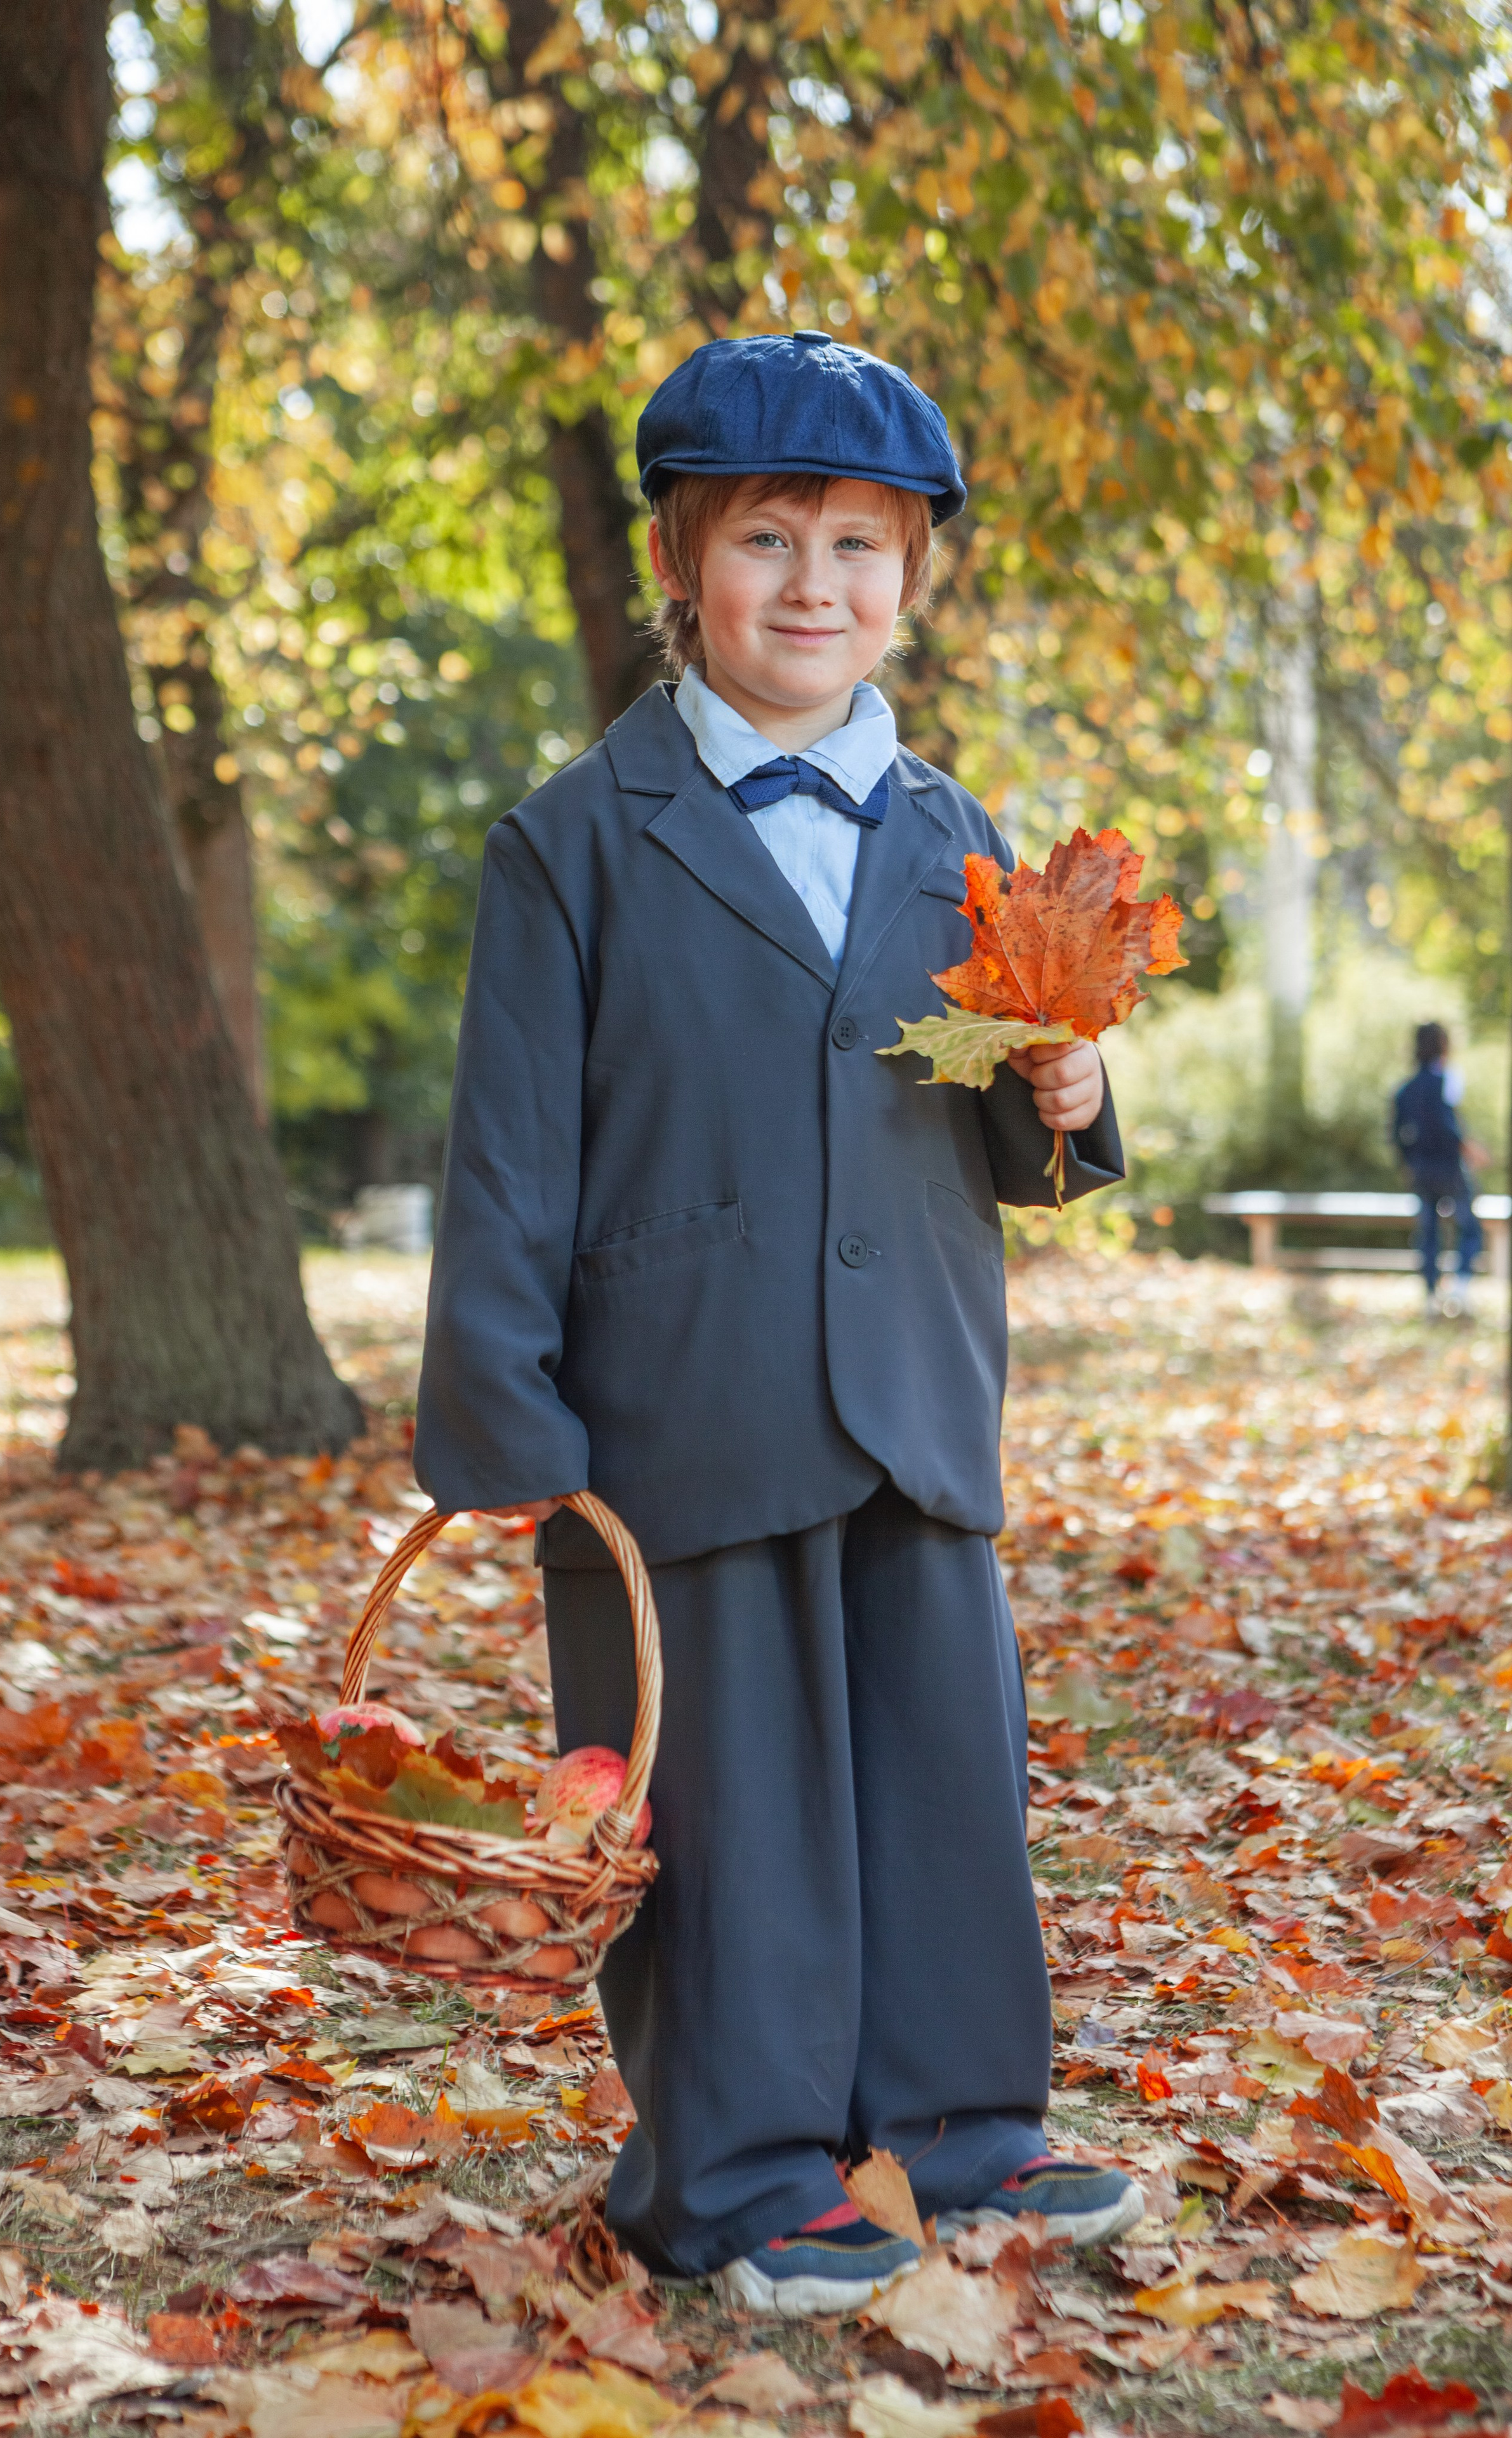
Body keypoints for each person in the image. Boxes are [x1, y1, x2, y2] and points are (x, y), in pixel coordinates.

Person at [415, 331, 1144, 2318]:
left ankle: (962, 2120)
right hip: (676, 1415)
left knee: (937, 1773)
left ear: (910, 576)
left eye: (855, 544)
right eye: (764, 538)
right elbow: (508, 1157)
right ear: (681, 557)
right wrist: (512, 1425)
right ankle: (729, 2164)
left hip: (910, 1382)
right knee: (723, 1807)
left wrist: (1062, 1100)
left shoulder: (950, 828)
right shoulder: (575, 838)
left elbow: (1002, 1099)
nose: (811, 584)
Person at [1393, 1021, 1483, 1316]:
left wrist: (1407, 1163)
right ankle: (1459, 1289)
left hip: (1422, 1171)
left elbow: (1397, 1134)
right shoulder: (1445, 1081)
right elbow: (1448, 1123)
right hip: (1449, 1170)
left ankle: (1431, 1295)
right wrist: (1467, 1147)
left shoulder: (1405, 1090)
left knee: (1428, 1232)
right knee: (1469, 1228)